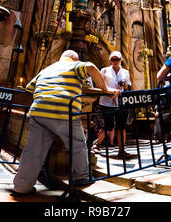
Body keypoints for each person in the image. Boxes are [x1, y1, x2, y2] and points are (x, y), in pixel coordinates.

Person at [13, 50, 118, 195]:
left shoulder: (47, 69)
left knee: (33, 151)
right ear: (75, 58)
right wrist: (105, 90)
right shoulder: (74, 65)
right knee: (78, 144)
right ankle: (81, 177)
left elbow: (29, 88)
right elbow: (91, 68)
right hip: (63, 110)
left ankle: (21, 187)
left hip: (38, 111)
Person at [93, 51, 132, 159]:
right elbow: (99, 85)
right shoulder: (104, 70)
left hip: (120, 102)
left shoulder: (125, 72)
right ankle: (96, 144)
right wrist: (108, 92)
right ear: (110, 60)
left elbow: (128, 87)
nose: (115, 62)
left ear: (121, 60)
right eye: (113, 59)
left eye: (117, 59)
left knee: (121, 126)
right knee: (108, 126)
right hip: (106, 101)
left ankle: (121, 150)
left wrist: (124, 85)